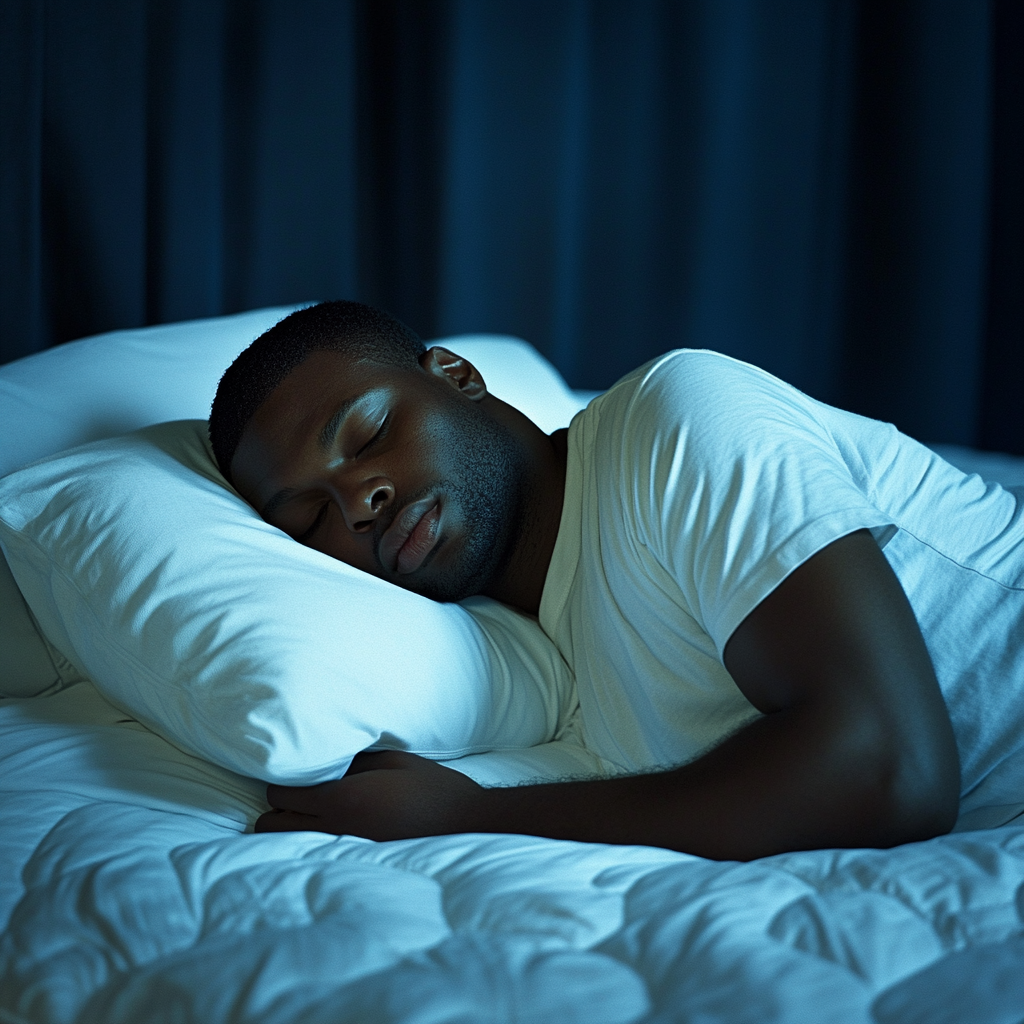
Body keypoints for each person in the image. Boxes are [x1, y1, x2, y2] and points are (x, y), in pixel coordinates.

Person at [209, 300, 1024, 860]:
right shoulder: (556, 667)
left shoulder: (674, 416)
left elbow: (894, 771)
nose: (356, 501)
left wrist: (466, 816)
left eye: (369, 432)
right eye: (308, 521)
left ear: (457, 376)